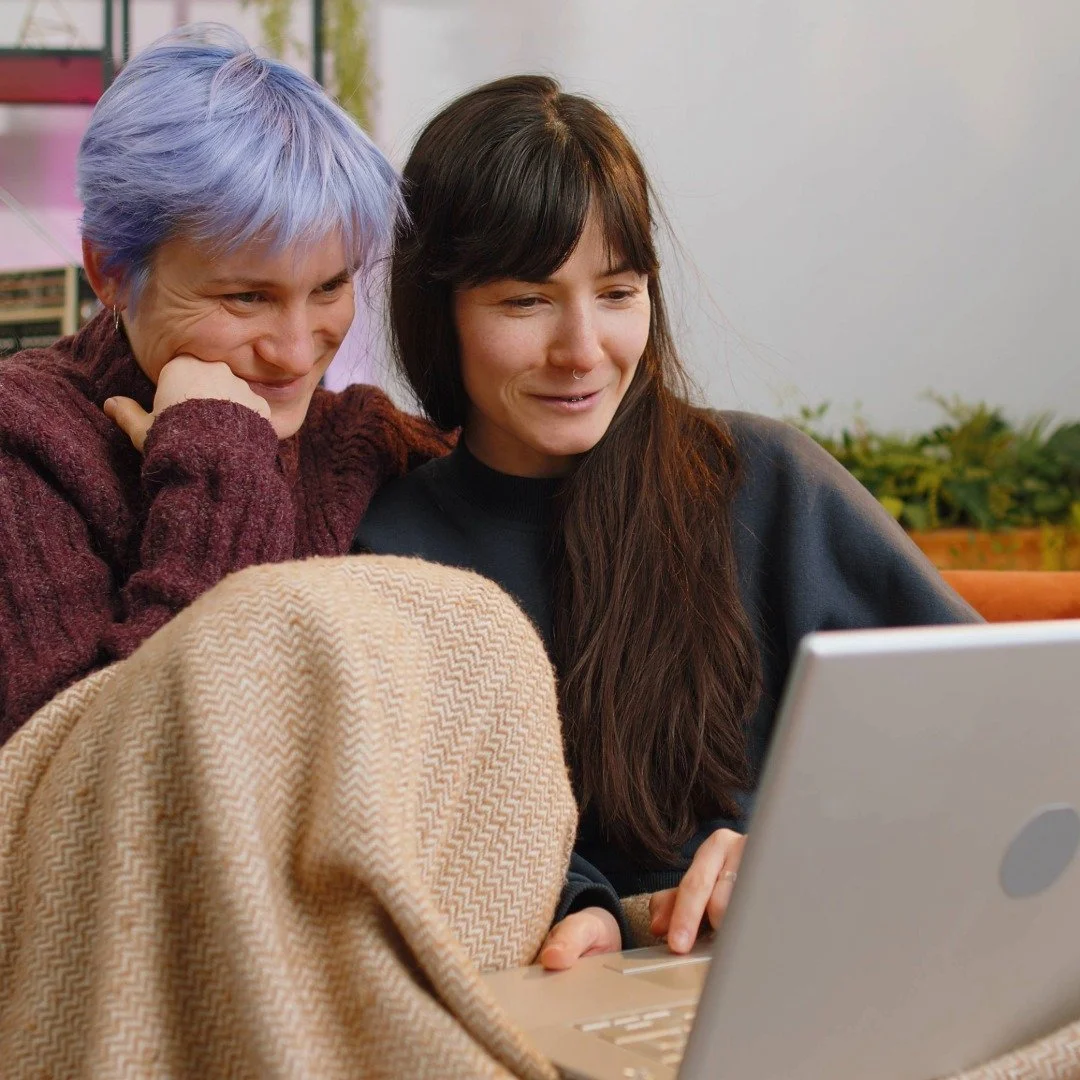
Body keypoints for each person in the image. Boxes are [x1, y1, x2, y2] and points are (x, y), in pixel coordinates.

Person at [354, 75, 979, 969]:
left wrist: (810, 848)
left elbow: (996, 733)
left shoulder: (762, 483)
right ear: (438, 311)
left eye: (618, 292)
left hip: (813, 966)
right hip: (553, 1004)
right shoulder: (390, 551)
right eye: (526, 301)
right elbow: (414, 820)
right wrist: (584, 905)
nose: (583, 350)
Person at [0, 25, 448, 741]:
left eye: (330, 285)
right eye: (246, 298)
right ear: (110, 270)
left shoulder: (356, 438)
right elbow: (92, 794)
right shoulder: (23, 443)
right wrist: (221, 461)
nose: (298, 351)